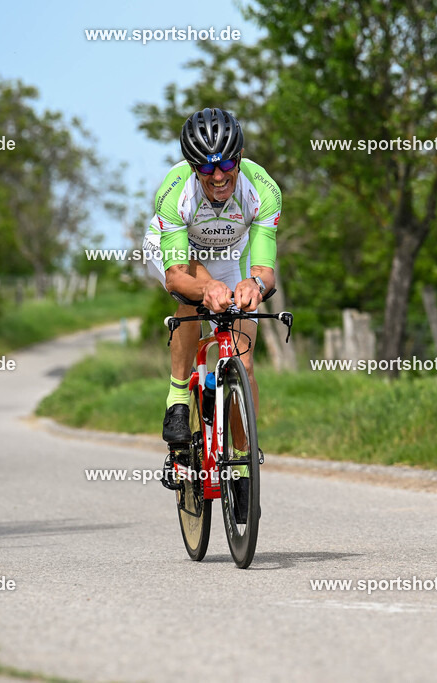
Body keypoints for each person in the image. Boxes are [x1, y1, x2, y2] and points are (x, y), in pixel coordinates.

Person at [142, 107, 280, 516]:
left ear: (239, 157)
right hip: (181, 255)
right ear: (192, 166)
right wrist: (207, 288)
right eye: (206, 167)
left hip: (231, 253)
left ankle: (242, 463)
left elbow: (265, 272)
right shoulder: (175, 192)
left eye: (226, 164)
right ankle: (179, 396)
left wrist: (252, 286)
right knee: (191, 299)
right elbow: (177, 277)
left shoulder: (263, 190)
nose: (218, 176)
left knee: (244, 358)